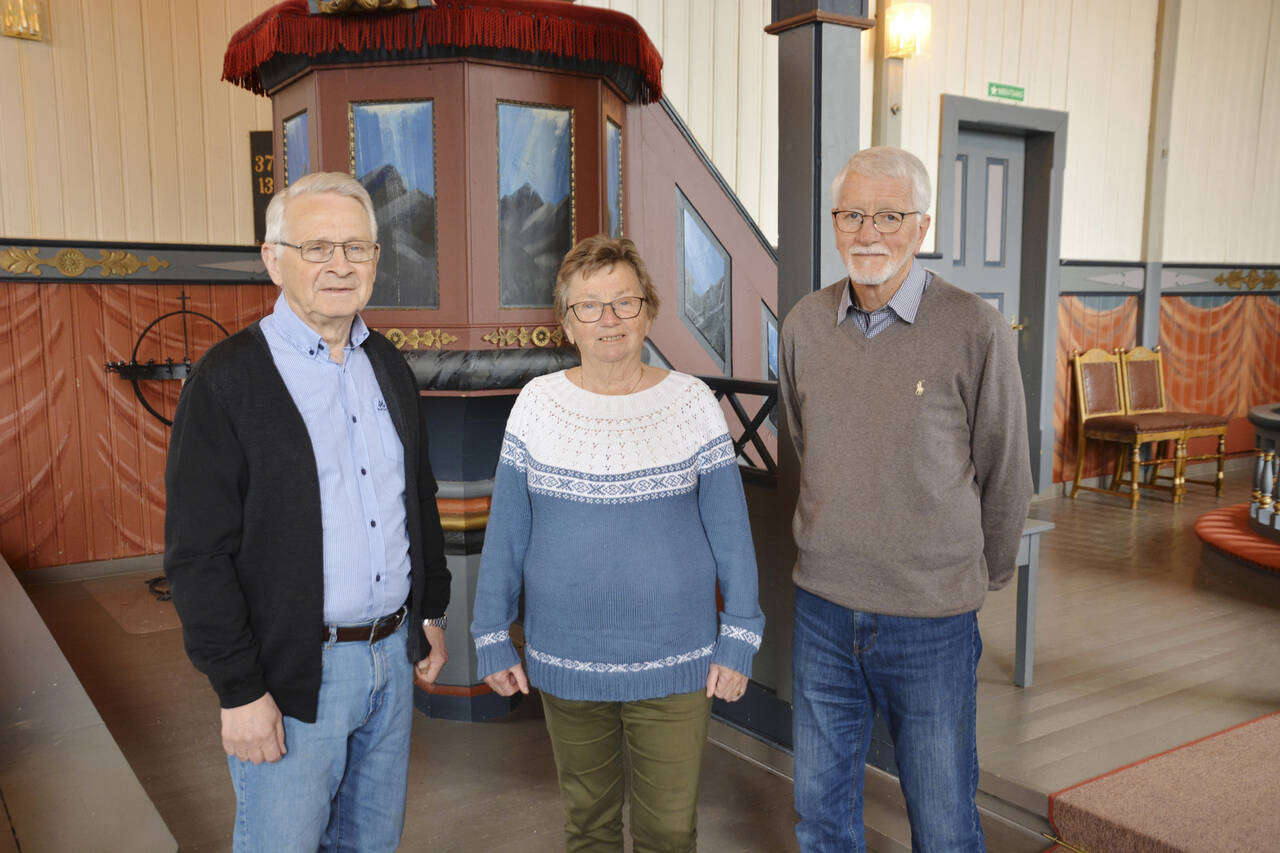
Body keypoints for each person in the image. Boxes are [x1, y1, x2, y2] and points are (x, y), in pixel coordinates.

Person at [164, 171, 451, 853]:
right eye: (317, 247)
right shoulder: (227, 380)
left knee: (368, 845)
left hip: (389, 658)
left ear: (377, 262)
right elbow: (196, 555)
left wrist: (430, 614)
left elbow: (418, 498)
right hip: (292, 672)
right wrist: (238, 690)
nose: (339, 265)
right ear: (273, 258)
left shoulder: (387, 365)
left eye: (357, 248)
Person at [471, 235, 765, 852]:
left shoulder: (691, 404)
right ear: (567, 324)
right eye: (590, 306)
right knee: (589, 828)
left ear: (648, 312)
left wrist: (740, 635)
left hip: (677, 656)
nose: (608, 319)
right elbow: (507, 533)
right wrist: (490, 634)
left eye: (624, 302)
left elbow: (732, 534)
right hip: (566, 652)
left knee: (668, 832)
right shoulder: (537, 405)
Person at [780, 146, 1033, 852]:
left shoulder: (975, 327)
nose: (869, 232)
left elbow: (1007, 467)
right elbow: (806, 443)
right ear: (835, 222)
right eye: (853, 214)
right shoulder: (802, 324)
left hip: (932, 618)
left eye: (889, 215)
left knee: (944, 820)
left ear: (920, 227)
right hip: (823, 609)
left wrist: (979, 575)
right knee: (820, 815)